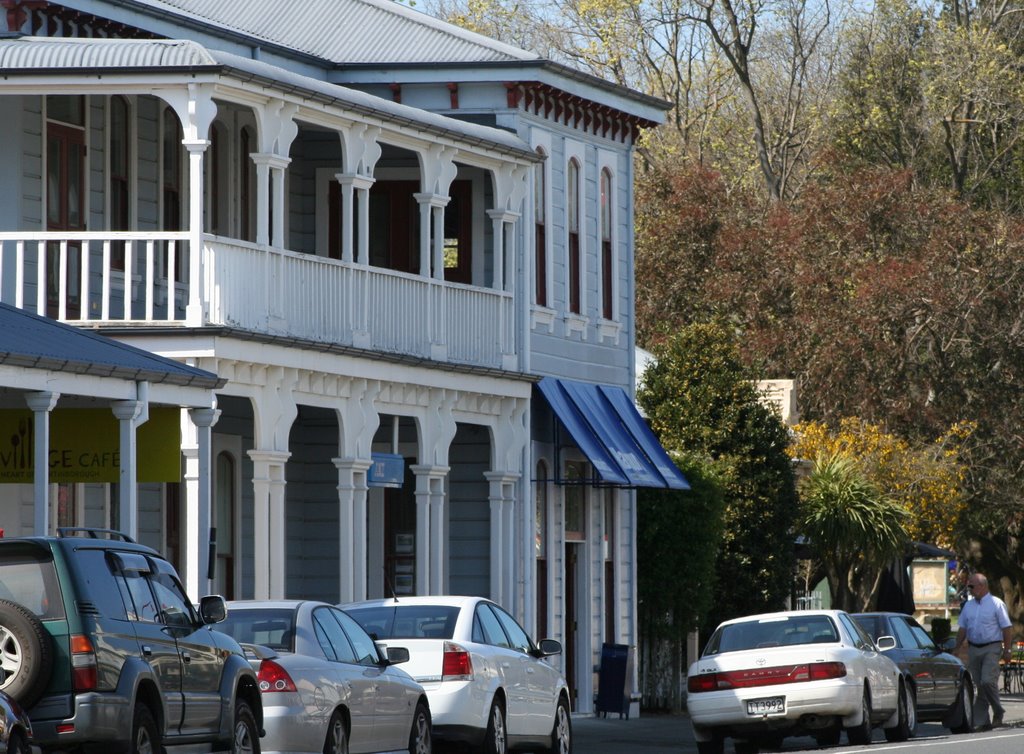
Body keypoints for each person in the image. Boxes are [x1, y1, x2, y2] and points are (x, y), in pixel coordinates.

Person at [953, 573, 1014, 730]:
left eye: (972, 586)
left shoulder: (996, 603)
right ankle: (983, 720)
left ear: (982, 586)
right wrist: (957, 647)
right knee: (980, 685)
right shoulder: (968, 605)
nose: (970, 589)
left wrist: (1007, 649)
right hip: (974, 648)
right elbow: (962, 628)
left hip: (992, 647)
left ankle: (998, 711)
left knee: (987, 681)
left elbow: (1006, 628)